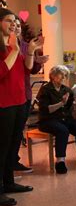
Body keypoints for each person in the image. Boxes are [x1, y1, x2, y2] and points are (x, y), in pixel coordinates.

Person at [0, 8, 43, 206]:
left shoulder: (15, 43)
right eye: (9, 21)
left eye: (16, 21)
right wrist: (15, 49)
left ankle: (8, 183)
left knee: (12, 146)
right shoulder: (6, 46)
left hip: (19, 101)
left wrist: (31, 51)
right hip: (3, 103)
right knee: (2, 147)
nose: (14, 24)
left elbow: (26, 68)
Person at [37, 65, 76, 174]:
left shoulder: (66, 90)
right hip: (48, 120)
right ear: (53, 76)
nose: (64, 77)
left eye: (66, 75)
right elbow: (46, 109)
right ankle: (60, 161)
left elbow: (68, 108)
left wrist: (74, 104)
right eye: (61, 74)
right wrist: (61, 103)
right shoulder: (45, 89)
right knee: (63, 131)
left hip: (64, 118)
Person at [13, 18, 49, 173]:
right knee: (9, 132)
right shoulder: (6, 46)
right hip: (10, 93)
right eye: (11, 23)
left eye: (17, 24)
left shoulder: (27, 45)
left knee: (18, 129)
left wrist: (38, 61)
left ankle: (13, 161)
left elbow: (31, 69)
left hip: (25, 92)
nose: (15, 27)